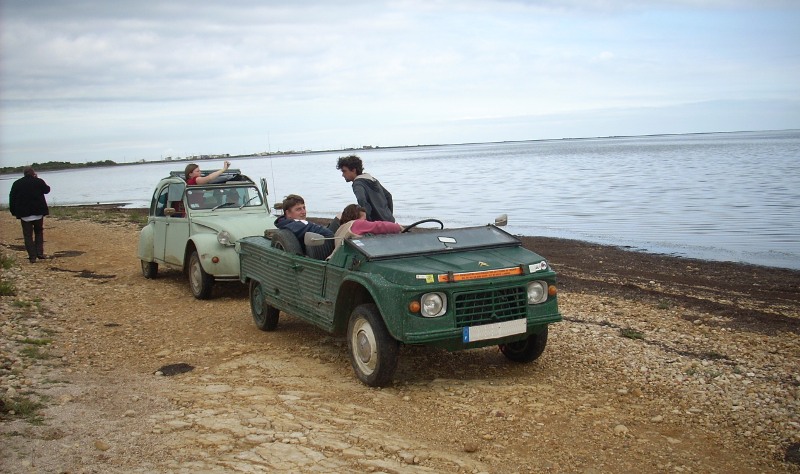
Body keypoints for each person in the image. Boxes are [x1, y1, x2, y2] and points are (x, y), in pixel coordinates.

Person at [9, 167, 51, 263]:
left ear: (24, 174)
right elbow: (47, 190)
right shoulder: (38, 181)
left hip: (24, 214)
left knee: (27, 235)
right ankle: (39, 253)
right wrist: (37, 178)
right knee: (39, 232)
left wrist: (13, 211)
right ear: (33, 173)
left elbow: (12, 197)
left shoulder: (17, 183)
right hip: (38, 212)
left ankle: (32, 257)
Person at [335, 155, 395, 222]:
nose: (343, 175)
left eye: (344, 171)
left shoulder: (357, 183)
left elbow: (362, 200)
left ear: (354, 170)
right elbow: (388, 196)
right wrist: (389, 215)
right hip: (389, 220)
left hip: (376, 223)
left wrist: (368, 220)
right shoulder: (373, 179)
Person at [274, 194, 336, 259]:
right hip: (319, 257)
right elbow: (329, 234)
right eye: (298, 209)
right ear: (288, 213)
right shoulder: (296, 226)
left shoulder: (284, 223)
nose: (303, 212)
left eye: (304, 208)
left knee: (339, 217)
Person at [333, 204, 402, 251]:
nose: (365, 222)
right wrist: (398, 227)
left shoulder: (340, 228)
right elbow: (379, 226)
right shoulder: (357, 223)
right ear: (356, 217)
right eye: (364, 220)